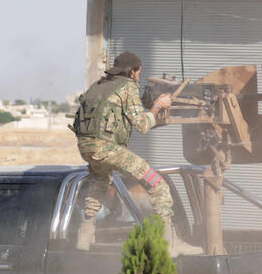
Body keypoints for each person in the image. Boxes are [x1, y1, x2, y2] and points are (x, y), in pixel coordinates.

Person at [71, 51, 202, 256]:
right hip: (109, 149)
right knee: (158, 185)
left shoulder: (97, 87)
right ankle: (171, 243)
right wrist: (158, 106)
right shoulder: (128, 86)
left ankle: (84, 236)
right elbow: (141, 124)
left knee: (98, 185)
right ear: (132, 71)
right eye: (139, 72)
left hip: (87, 148)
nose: (139, 76)